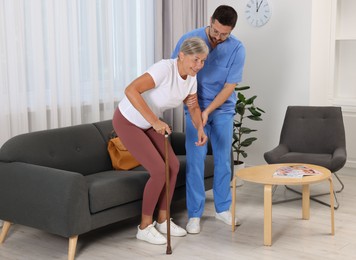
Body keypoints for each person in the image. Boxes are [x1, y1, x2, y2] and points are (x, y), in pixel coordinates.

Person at [112, 37, 209, 245]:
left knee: (172, 167)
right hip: (128, 121)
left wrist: (200, 128)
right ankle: (144, 227)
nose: (199, 65)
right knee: (158, 170)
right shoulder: (164, 69)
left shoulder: (191, 77)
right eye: (195, 60)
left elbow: (193, 106)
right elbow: (130, 90)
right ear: (181, 56)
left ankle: (163, 220)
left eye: (202, 61)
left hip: (149, 123)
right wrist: (155, 121)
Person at [171, 5, 246, 234]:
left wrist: (209, 111)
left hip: (222, 109)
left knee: (223, 159)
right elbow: (179, 75)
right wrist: (197, 111)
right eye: (215, 31)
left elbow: (229, 86)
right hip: (194, 107)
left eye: (225, 33)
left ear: (231, 30)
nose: (218, 37)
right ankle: (194, 215)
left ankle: (223, 209)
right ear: (211, 21)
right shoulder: (189, 39)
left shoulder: (237, 48)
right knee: (196, 161)